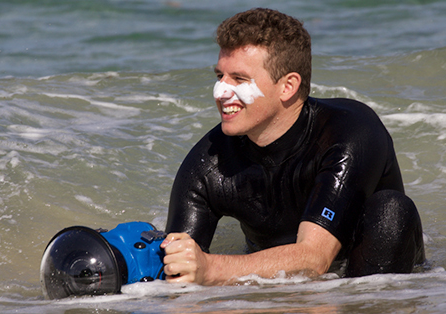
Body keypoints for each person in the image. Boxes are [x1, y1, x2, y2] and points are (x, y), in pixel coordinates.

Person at [160, 8, 425, 285]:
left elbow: (315, 259)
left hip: (367, 278)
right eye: (219, 77)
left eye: (238, 79)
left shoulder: (350, 132)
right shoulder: (207, 164)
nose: (220, 92)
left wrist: (212, 269)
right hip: (274, 286)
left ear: (288, 87)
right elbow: (177, 270)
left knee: (391, 210)